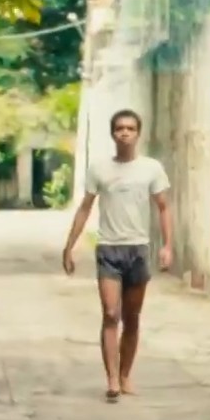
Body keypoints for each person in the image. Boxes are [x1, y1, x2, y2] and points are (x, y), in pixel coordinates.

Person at [62, 108, 173, 402]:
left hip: (138, 250)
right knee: (111, 313)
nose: (125, 133)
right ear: (113, 133)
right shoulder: (99, 169)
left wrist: (167, 245)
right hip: (108, 249)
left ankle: (125, 375)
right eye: (120, 128)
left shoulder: (151, 168)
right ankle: (111, 378)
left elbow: (163, 207)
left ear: (138, 134)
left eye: (130, 128)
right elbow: (85, 207)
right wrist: (70, 246)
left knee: (132, 318)